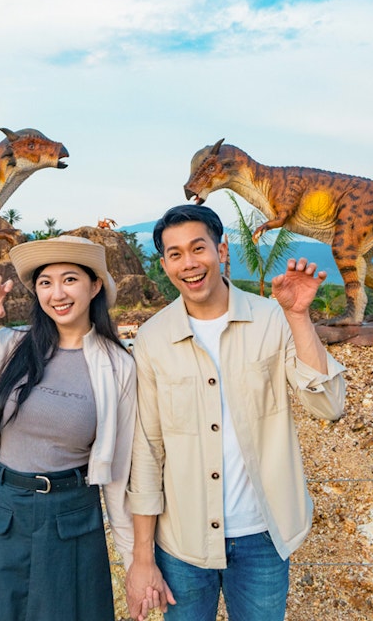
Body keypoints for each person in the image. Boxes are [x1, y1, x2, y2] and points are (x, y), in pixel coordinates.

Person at [124, 204, 347, 620]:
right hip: (182, 543)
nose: (189, 264)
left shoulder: (271, 319)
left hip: (263, 536)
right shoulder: (153, 338)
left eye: (198, 248)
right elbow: (148, 450)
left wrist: (298, 317)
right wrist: (142, 557)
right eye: (175, 254)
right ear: (164, 264)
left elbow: (329, 406)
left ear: (221, 250)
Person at [0, 235, 136, 621]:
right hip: (4, 509)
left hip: (72, 515)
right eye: (45, 282)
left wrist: (134, 560)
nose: (57, 293)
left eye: (70, 279)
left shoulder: (118, 365)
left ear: (95, 285)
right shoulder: (10, 346)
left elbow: (117, 470)